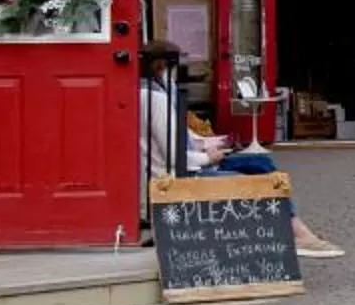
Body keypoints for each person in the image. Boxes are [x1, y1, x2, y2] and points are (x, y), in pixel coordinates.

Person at [138, 72, 343, 257]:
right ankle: (297, 232)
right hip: (187, 170)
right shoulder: (156, 101)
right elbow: (175, 156)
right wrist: (209, 158)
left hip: (196, 158)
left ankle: (298, 231)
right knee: (264, 182)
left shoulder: (165, 95)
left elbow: (186, 137)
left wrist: (213, 142)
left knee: (261, 162)